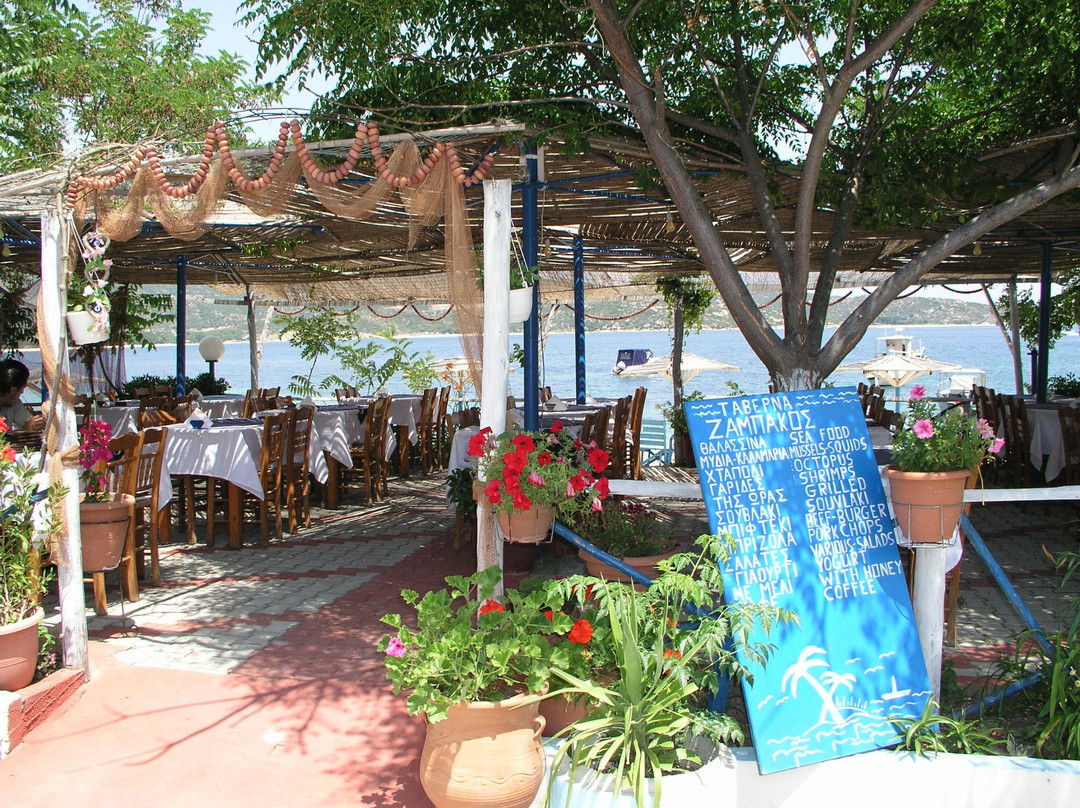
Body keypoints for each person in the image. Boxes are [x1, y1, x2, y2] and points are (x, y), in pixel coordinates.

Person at [0, 358, 45, 433]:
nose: (22, 392)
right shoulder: (12, 401)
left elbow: (28, 422)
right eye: (22, 389)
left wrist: (37, 422)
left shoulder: (14, 403)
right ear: (13, 390)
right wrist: (25, 431)